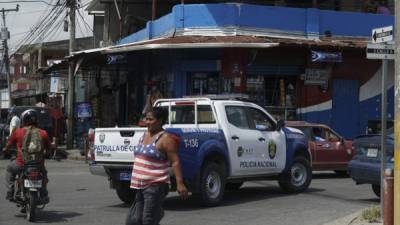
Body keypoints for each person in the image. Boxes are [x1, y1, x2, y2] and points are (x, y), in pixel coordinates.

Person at [126, 107, 188, 225]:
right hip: (140, 185)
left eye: (150, 119)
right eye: (146, 118)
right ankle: (157, 213)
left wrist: (180, 183)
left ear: (160, 121)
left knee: (148, 220)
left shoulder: (166, 139)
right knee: (135, 220)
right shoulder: (145, 135)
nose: (147, 121)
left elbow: (175, 162)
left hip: (155, 186)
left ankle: (156, 213)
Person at [3, 109, 51, 202]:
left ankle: (10, 191)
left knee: (9, 169)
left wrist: (6, 149)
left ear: (24, 120)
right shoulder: (43, 133)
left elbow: (8, 145)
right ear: (36, 120)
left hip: (21, 164)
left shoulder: (17, 132)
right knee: (44, 175)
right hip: (38, 165)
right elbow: (48, 148)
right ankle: (44, 193)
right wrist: (47, 153)